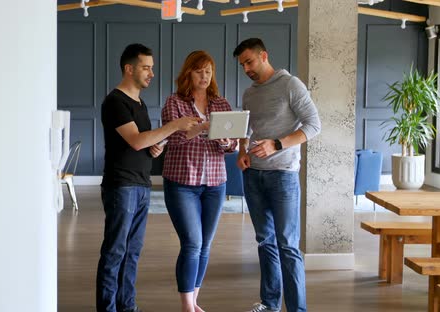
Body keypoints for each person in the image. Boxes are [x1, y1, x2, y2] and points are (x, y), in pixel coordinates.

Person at [97, 43, 200, 312]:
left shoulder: (139, 104)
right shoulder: (115, 102)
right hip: (121, 185)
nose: (151, 73)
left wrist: (158, 146)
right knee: (115, 252)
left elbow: (144, 143)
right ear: (128, 69)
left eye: (152, 68)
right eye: (146, 67)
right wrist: (175, 125)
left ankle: (127, 306)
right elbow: (135, 140)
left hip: (140, 185)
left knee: (132, 253)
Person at [233, 38, 321, 312]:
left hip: (283, 176)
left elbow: (314, 125)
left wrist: (277, 143)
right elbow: (247, 130)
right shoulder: (249, 94)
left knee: (288, 245)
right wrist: (242, 151)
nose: (246, 68)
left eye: (249, 61)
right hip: (253, 176)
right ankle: (270, 304)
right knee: (265, 241)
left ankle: (297, 309)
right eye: (242, 64)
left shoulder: (290, 85)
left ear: (264, 55)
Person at [161, 50, 238, 312]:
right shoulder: (175, 103)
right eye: (198, 71)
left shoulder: (222, 103)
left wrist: (227, 141)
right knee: (192, 242)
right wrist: (202, 128)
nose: (204, 76)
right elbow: (171, 139)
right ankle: (186, 306)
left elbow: (232, 145)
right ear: (188, 73)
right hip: (183, 182)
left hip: (216, 183)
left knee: (205, 244)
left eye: (208, 71)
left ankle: (194, 301)